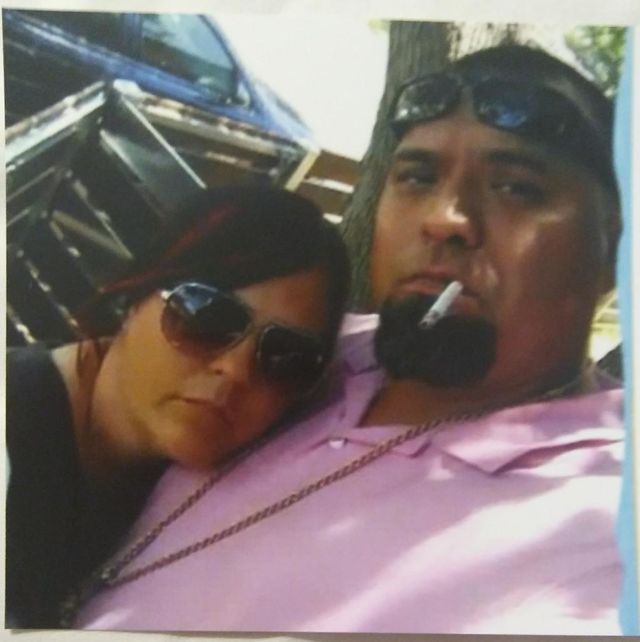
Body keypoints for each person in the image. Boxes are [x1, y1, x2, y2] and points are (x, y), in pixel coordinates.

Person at [75, 45, 625, 634]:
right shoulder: (301, 350)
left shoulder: (595, 526)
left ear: (615, 250)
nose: (445, 217)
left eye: (515, 188)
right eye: (417, 177)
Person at [6, 185, 350, 629]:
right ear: (135, 298)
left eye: (287, 358)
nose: (236, 369)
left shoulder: (184, 499)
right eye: (208, 316)